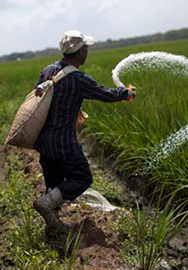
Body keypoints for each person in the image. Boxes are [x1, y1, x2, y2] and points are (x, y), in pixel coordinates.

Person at [32, 30, 136, 232]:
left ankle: (53, 225)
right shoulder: (78, 79)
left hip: (44, 141)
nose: (87, 51)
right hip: (63, 142)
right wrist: (126, 93)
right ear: (80, 52)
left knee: (54, 184)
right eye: (86, 48)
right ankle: (45, 205)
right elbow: (105, 94)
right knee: (82, 177)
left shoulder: (48, 71)